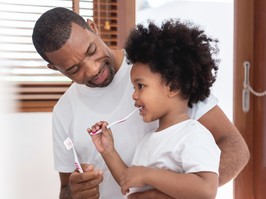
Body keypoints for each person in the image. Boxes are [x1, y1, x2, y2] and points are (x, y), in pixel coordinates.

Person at [32, 7, 249, 199]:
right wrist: (74, 193)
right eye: (73, 69)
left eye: (91, 51)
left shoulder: (158, 68)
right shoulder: (63, 112)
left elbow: (235, 148)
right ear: (54, 68)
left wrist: (164, 194)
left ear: (93, 27)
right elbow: (73, 189)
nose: (92, 69)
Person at [88, 19, 221, 199]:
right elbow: (129, 181)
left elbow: (206, 190)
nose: (134, 95)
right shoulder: (148, 141)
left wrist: (147, 175)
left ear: (172, 87)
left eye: (140, 86)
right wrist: (108, 151)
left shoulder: (193, 135)